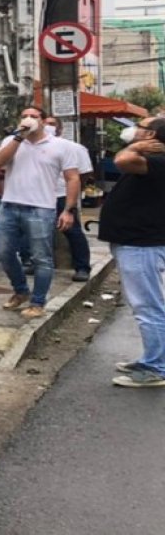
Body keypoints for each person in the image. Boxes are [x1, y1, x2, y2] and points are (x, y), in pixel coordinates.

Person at [0, 107, 81, 320]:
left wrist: (68, 210)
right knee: (3, 252)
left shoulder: (61, 146)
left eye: (33, 116)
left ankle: (38, 302)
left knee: (41, 257)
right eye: (24, 116)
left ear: (43, 121)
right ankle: (21, 290)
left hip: (41, 208)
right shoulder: (11, 141)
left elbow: (72, 178)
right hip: (9, 205)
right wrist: (19, 137)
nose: (28, 119)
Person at [98, 117, 165, 388]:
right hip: (135, 242)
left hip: (142, 244)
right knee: (145, 304)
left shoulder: (157, 161)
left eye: (141, 127)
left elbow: (121, 160)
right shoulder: (151, 160)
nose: (133, 129)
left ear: (151, 135)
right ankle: (151, 359)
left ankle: (155, 367)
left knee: (148, 306)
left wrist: (136, 147)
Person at [43, 116, 94, 282]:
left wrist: (74, 193)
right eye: (45, 124)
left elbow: (84, 173)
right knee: (39, 232)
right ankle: (39, 264)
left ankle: (82, 267)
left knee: (72, 231)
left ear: (60, 128)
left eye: (52, 124)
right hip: (40, 196)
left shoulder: (74, 148)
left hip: (63, 195)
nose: (48, 127)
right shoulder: (35, 147)